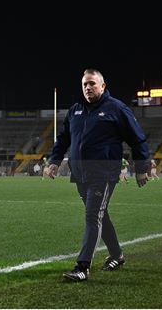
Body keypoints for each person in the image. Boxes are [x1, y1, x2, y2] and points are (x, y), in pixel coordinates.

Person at [45, 69, 149, 282]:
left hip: (104, 172)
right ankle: (117, 255)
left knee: (93, 216)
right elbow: (64, 139)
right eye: (84, 84)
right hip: (80, 173)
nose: (87, 88)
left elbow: (137, 139)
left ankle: (82, 267)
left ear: (102, 86)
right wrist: (54, 161)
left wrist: (141, 168)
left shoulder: (116, 109)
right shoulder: (75, 110)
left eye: (92, 83)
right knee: (101, 214)